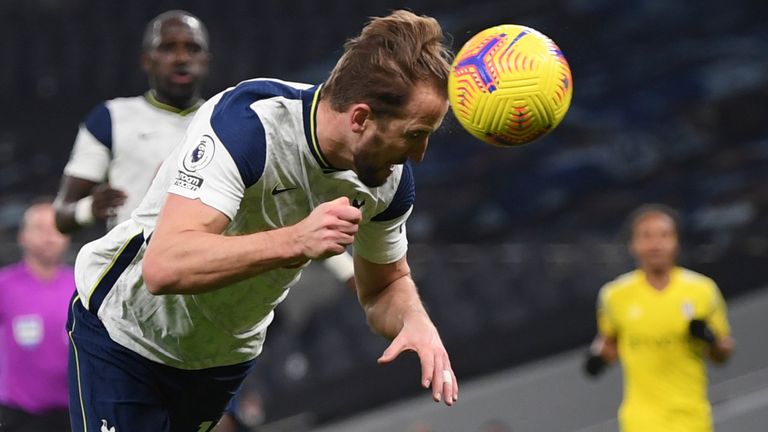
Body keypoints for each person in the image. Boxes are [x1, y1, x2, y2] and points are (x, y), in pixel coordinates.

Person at [67, 9, 458, 432]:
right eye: (415, 133)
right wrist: (295, 240)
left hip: (220, 360)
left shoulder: (390, 181)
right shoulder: (249, 124)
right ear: (361, 118)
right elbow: (165, 266)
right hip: (124, 333)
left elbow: (384, 286)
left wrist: (414, 319)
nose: (419, 155)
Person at [54, 10, 210, 234]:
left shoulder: (224, 121)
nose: (182, 58)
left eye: (193, 48)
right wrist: (89, 208)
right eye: (167, 48)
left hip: (203, 261)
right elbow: (62, 214)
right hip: (132, 263)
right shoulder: (110, 117)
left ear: (206, 60)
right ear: (147, 60)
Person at [584, 204, 734, 432]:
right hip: (641, 420)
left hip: (691, 417)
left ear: (676, 242)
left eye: (664, 235)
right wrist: (597, 358)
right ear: (633, 245)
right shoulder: (614, 296)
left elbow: (722, 353)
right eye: (646, 236)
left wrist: (711, 340)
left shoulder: (702, 290)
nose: (655, 244)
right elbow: (609, 341)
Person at [0, 201, 73, 431]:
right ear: (22, 236)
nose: (49, 237)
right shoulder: (5, 285)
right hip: (19, 414)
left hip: (71, 412)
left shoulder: (81, 286)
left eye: (57, 229)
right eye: (40, 229)